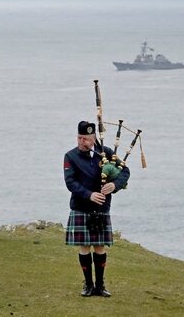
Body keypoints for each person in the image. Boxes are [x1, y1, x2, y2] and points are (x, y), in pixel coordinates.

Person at [63, 120, 130, 297]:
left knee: (100, 247)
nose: (81, 142)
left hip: (101, 208)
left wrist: (115, 185)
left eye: (85, 138)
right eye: (79, 137)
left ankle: (100, 286)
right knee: (84, 246)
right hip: (81, 207)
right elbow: (70, 182)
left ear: (93, 138)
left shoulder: (107, 154)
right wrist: (89, 194)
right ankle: (88, 285)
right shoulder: (70, 157)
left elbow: (125, 171)